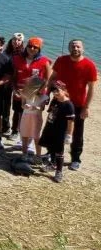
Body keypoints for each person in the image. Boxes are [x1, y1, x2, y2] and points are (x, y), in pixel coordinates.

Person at [49, 39, 97, 171]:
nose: (75, 49)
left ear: (83, 48)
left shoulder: (89, 65)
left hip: (78, 104)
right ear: (69, 48)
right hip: (59, 101)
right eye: (73, 46)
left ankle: (75, 159)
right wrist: (50, 92)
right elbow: (52, 78)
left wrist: (86, 107)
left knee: (77, 133)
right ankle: (52, 155)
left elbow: (91, 89)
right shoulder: (61, 60)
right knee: (55, 129)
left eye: (78, 47)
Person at [11, 37, 51, 155]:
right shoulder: (17, 58)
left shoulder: (44, 61)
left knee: (34, 119)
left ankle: (31, 143)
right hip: (20, 94)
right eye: (30, 46)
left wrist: (43, 92)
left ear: (39, 49)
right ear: (26, 46)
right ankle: (22, 139)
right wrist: (14, 89)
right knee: (20, 116)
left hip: (36, 96)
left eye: (35, 47)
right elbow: (13, 76)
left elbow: (48, 79)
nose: (32, 49)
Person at [39, 81, 75, 183]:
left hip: (60, 131)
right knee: (50, 147)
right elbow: (50, 113)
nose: (55, 93)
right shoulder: (54, 101)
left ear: (64, 90)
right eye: (53, 91)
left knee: (59, 151)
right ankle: (52, 164)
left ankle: (59, 171)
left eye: (57, 91)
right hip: (50, 127)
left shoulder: (68, 105)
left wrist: (69, 135)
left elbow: (71, 122)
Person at [2, 32, 26, 137]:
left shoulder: (24, 54)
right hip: (7, 81)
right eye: (14, 39)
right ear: (11, 40)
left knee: (18, 108)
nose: (16, 42)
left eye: (19, 40)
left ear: (22, 42)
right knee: (5, 105)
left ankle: (15, 130)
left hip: (18, 82)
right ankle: (5, 127)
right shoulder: (6, 52)